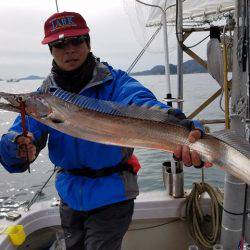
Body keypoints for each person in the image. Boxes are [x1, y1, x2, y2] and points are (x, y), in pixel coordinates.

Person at [0, 11, 211, 250]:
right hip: (69, 197)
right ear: (51, 51)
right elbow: (18, 136)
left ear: (88, 43)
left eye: (76, 41)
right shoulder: (44, 98)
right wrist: (18, 145)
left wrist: (180, 125)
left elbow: (141, 102)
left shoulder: (116, 82)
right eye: (59, 44)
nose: (69, 49)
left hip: (113, 194)